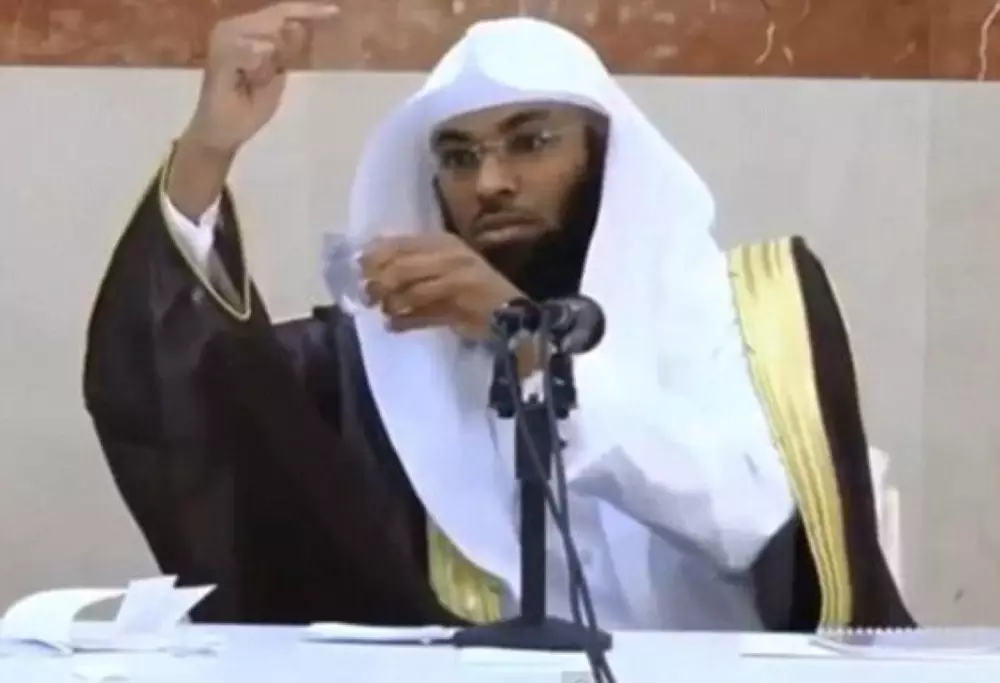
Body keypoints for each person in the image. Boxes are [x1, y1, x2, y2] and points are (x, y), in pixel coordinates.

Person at [83, 3, 914, 631]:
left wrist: (526, 341)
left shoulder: (742, 311)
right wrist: (208, 150)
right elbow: (191, 394)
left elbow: (750, 519)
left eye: (531, 142)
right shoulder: (389, 359)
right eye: (458, 157)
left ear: (602, 155)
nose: (489, 183)